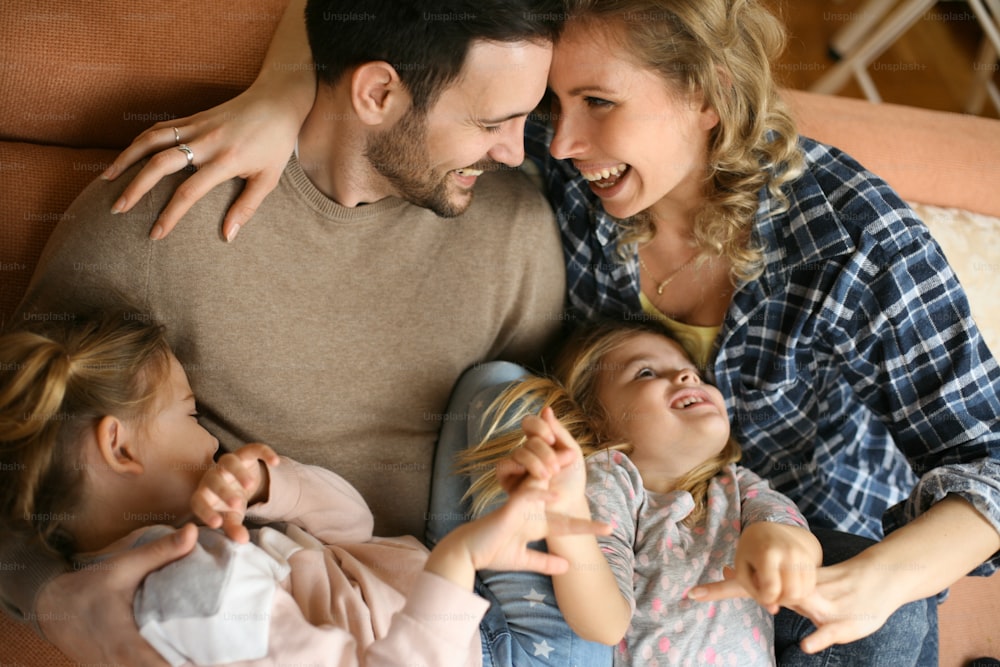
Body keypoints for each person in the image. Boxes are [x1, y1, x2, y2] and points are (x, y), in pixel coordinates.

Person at [114, 0, 1000, 663]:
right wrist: (280, 95)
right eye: (553, 104)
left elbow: (989, 457)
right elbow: (388, 27)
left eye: (598, 105)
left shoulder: (852, 238)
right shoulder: (567, 166)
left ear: (709, 94)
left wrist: (876, 581)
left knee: (883, 631)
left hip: (798, 553)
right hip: (611, 534)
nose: (562, 141)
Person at [0, 1, 572, 665]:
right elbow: (25, 449)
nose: (516, 151)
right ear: (378, 92)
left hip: (475, 613)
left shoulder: (517, 237)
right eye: (491, 122)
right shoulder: (159, 219)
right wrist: (57, 601)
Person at [0, 310, 611, 666]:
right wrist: (460, 559)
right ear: (119, 446)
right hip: (507, 651)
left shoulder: (194, 548)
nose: (211, 439)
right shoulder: (200, 594)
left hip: (446, 593)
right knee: (530, 433)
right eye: (189, 416)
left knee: (493, 387)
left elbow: (355, 531)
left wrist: (273, 485)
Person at [458, 319, 823, 665]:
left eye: (692, 371)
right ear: (595, 420)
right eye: (646, 372)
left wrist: (778, 543)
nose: (686, 375)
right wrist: (568, 517)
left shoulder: (738, 486)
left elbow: (791, 532)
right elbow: (604, 623)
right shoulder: (613, 481)